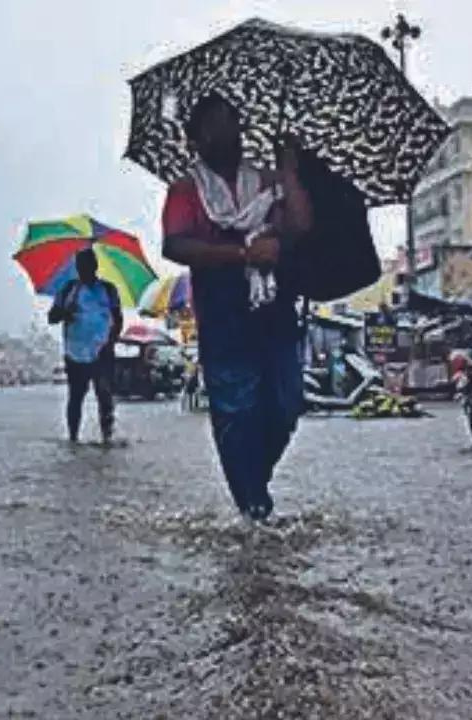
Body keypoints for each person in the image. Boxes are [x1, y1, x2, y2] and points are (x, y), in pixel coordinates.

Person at [161, 93, 313, 523]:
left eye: (231, 122)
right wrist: (243, 255)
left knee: (285, 406)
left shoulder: (267, 182)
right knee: (234, 411)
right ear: (195, 138)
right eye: (213, 125)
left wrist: (288, 169)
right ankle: (252, 504)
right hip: (222, 312)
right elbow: (176, 244)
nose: (226, 132)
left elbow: (300, 225)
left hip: (275, 309)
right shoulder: (186, 191)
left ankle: (253, 481)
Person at [48, 248, 124, 444]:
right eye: (82, 266)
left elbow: (118, 318)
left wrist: (112, 339)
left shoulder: (108, 290)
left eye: (89, 265)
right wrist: (65, 311)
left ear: (96, 266)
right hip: (75, 352)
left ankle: (107, 438)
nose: (86, 269)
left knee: (105, 395)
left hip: (102, 351)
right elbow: (52, 317)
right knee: (76, 397)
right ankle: (73, 438)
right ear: (77, 268)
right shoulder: (68, 290)